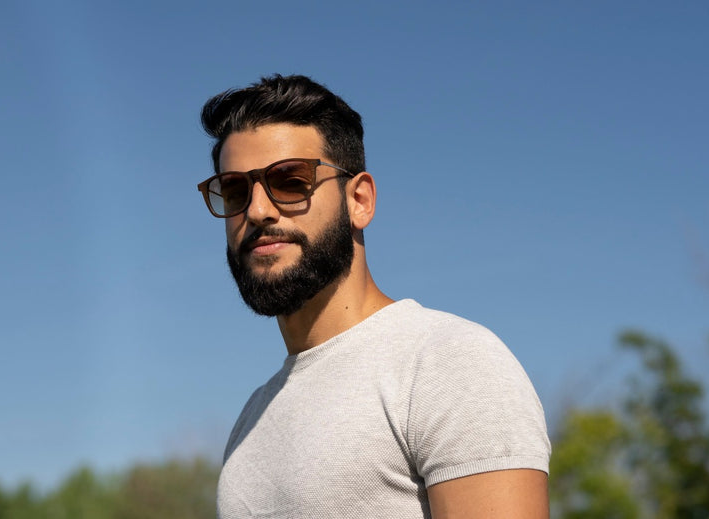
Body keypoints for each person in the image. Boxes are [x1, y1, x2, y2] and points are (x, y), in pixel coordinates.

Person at [197, 74, 551, 518]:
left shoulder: (448, 363)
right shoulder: (252, 419)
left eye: (290, 181)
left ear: (359, 200)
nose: (257, 210)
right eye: (234, 190)